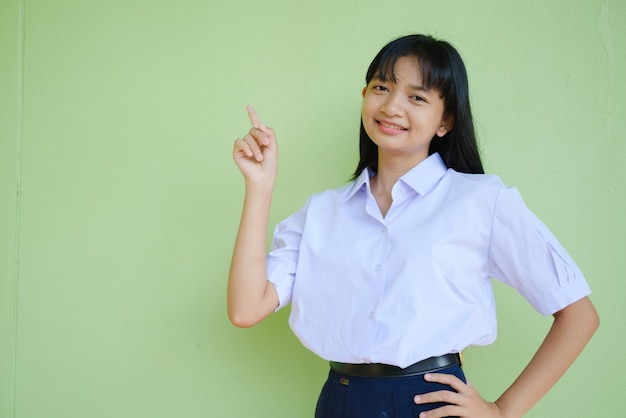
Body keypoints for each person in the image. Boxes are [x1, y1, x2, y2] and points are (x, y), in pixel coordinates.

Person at [228, 34, 599, 418]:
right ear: (365, 95)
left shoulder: (481, 201)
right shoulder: (321, 212)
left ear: (446, 120)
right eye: (381, 88)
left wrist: (502, 411)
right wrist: (259, 186)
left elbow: (579, 316)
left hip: (430, 404)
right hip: (339, 400)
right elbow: (245, 309)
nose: (391, 106)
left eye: (417, 97)